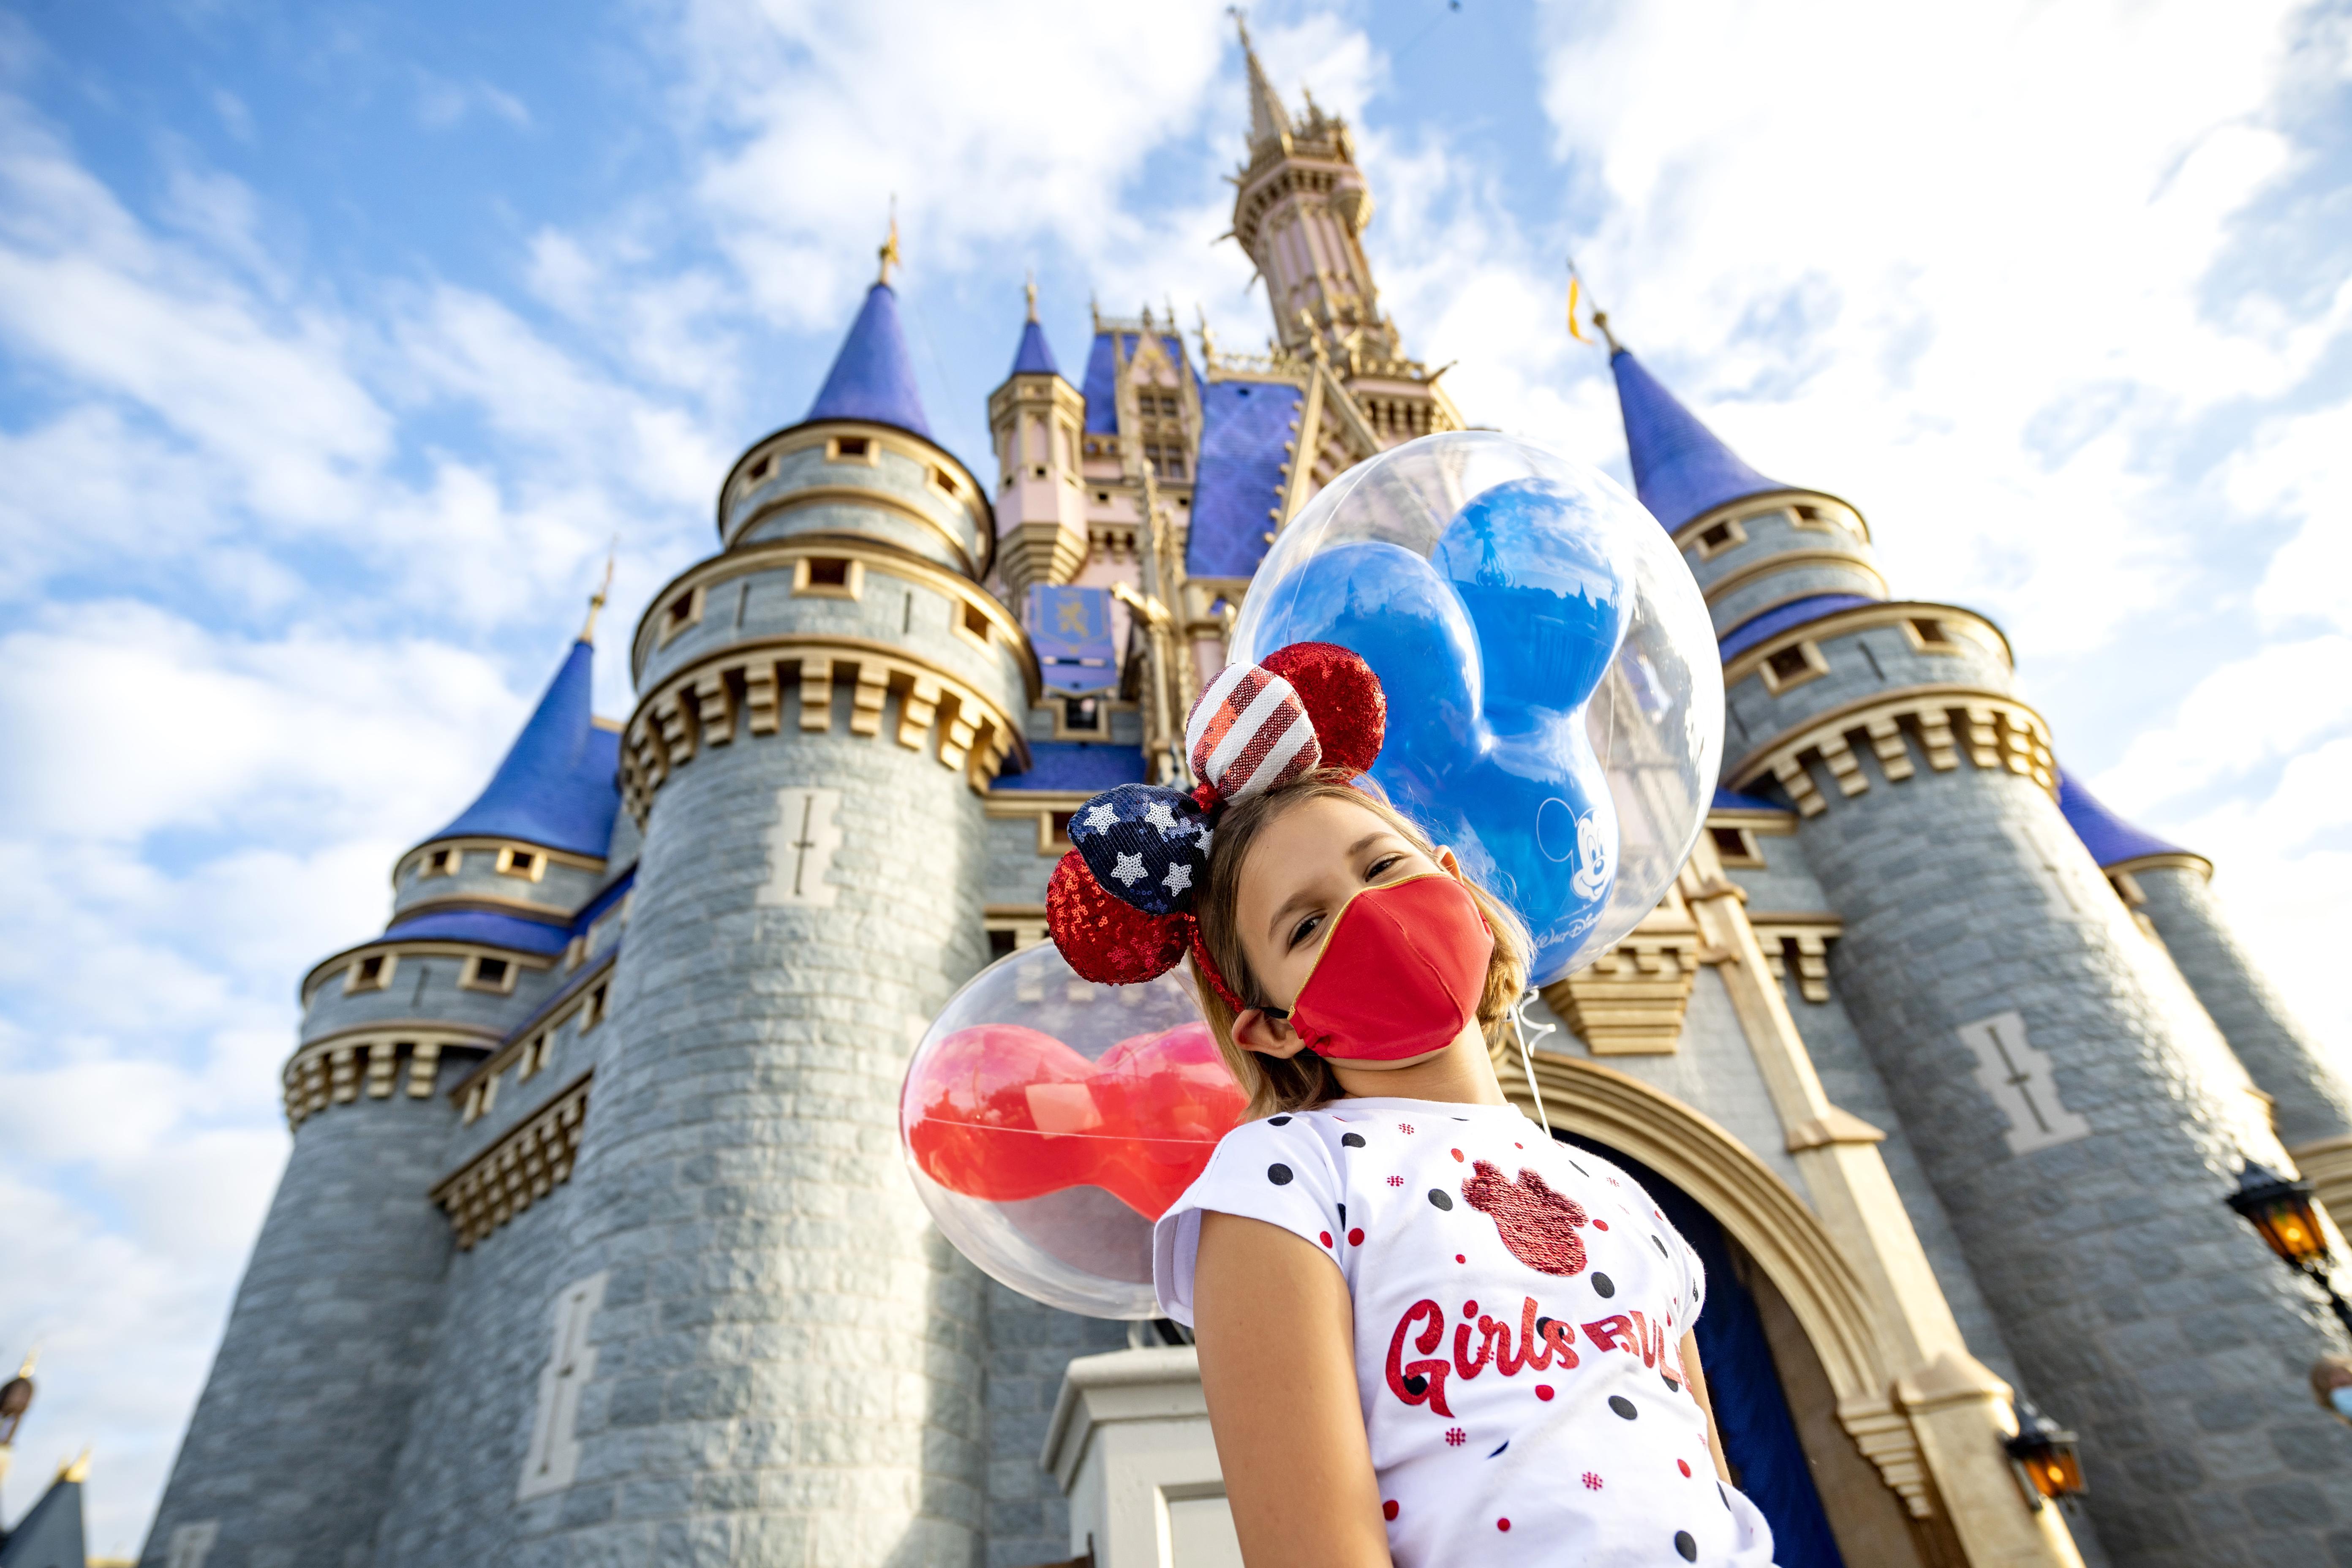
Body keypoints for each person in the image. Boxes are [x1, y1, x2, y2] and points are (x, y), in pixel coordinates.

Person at [1048, 646, 1778, 1567]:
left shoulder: (1619, 1194)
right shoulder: (1287, 1177)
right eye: (1306, 923)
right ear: (1269, 1024)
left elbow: (1705, 1482)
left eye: (1382, 866)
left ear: (1456, 884)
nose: (1368, 912)